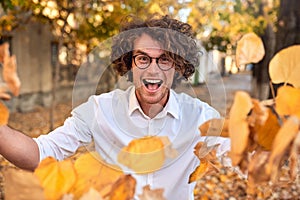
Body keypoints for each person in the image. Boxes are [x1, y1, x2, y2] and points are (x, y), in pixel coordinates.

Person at [0, 15, 229, 199]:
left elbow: (241, 158)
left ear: (178, 66)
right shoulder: (100, 109)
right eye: (143, 58)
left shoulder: (201, 117)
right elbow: (39, 154)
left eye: (165, 59)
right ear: (129, 63)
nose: (153, 70)